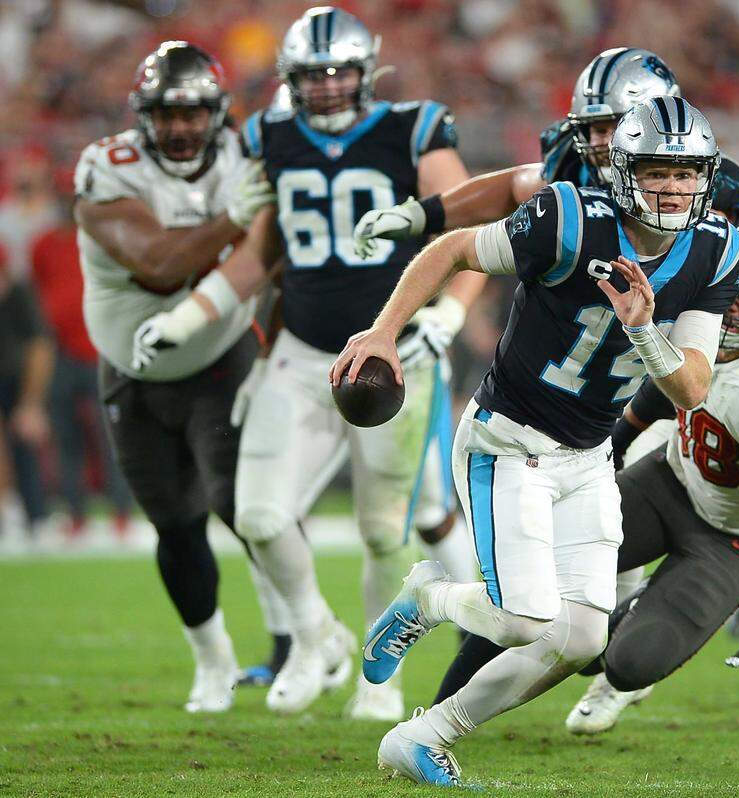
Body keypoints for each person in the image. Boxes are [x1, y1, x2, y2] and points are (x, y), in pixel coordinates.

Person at [332, 96, 739, 787]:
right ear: (621, 170)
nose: (672, 188)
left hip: (588, 458)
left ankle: (423, 736)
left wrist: (645, 330)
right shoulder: (569, 219)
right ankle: (428, 597)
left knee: (585, 634)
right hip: (508, 440)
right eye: (655, 171)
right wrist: (384, 331)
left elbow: (692, 390)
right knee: (526, 619)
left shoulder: (715, 250)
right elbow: (454, 248)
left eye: (685, 173)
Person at [132, 6, 479, 719]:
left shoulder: (411, 128)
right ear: (291, 78)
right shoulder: (271, 136)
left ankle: (380, 681)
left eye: (338, 74)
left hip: (394, 356)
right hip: (299, 353)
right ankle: (317, 632)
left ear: (366, 71)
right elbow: (261, 252)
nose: (324, 88)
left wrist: (451, 311)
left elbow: (469, 229)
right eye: (312, 76)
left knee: (386, 530)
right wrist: (188, 315)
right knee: (259, 515)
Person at [433, 223, 739, 748]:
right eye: (729, 295)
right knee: (528, 575)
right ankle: (440, 708)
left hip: (734, 538)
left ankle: (629, 623)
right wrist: (616, 446)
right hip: (669, 484)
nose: (730, 312)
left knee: (627, 664)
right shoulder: (698, 315)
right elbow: (670, 391)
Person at [73, 41, 281, 712]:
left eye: (195, 113)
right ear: (144, 117)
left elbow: (278, 253)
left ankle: (293, 645)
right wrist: (234, 217)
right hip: (133, 372)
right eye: (168, 114)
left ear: (217, 112)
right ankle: (213, 661)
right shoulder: (110, 168)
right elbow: (159, 263)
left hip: (221, 357)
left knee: (242, 503)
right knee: (175, 523)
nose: (183, 128)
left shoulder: (245, 158)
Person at [353, 46, 739, 247]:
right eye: (592, 129)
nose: (599, 143)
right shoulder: (573, 164)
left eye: (614, 126)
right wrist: (420, 216)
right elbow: (513, 188)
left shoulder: (708, 189)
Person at [31, 214, 133, 535]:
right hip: (58, 352)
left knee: (110, 435)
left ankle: (121, 510)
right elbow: (38, 290)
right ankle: (74, 511)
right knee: (65, 437)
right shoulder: (43, 244)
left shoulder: (101, 238)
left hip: (99, 349)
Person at [0, 246, 54, 535]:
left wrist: (32, 403)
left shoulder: (20, 296)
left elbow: (40, 348)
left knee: (25, 444)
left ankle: (36, 516)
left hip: (19, 382)